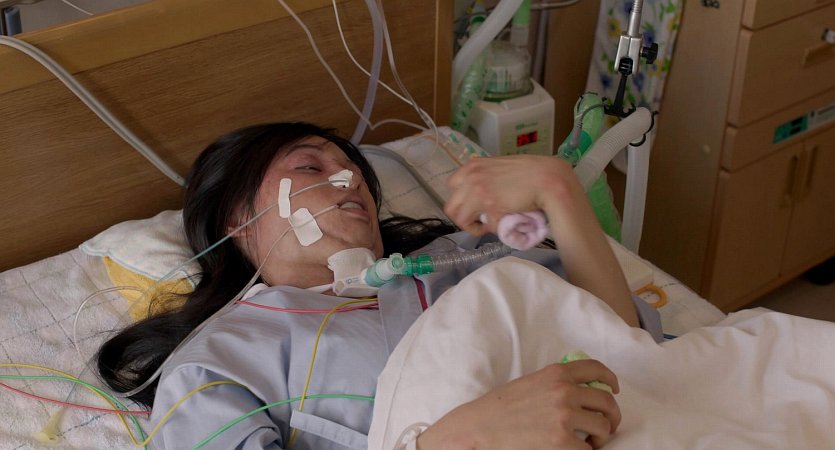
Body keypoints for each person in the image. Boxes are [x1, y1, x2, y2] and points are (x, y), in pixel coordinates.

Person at [97, 122, 646, 450]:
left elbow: (627, 347)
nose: (350, 179)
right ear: (236, 218)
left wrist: (558, 190)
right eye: (310, 168)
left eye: (357, 173)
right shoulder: (220, 360)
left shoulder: (463, 259)